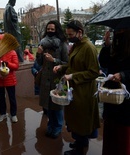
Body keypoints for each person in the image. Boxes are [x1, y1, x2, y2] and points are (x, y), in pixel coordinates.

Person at [53, 20, 100, 155]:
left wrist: (72, 76)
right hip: (75, 90)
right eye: (67, 35)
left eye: (71, 34)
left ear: (80, 32)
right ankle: (80, 142)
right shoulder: (77, 45)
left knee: (81, 120)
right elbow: (72, 66)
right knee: (76, 118)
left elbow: (93, 72)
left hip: (84, 92)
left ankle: (80, 150)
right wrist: (61, 68)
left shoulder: (88, 47)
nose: (69, 37)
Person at [99, 28, 130, 155]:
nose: (117, 32)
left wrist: (123, 74)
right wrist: (106, 44)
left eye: (121, 29)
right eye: (116, 30)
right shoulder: (116, 46)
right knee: (110, 130)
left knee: (123, 135)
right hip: (112, 96)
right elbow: (104, 62)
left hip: (126, 99)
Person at [36, 20, 69, 139]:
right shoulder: (43, 44)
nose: (50, 31)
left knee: (57, 105)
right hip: (45, 78)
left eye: (52, 29)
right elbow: (39, 63)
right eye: (48, 29)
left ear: (57, 30)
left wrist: (54, 60)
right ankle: (50, 125)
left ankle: (58, 127)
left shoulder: (62, 44)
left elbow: (67, 63)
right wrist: (39, 54)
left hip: (58, 79)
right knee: (48, 105)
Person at [0, 34, 19, 123]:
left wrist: (8, 64)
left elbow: (16, 66)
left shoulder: (12, 52)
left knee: (12, 98)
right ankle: (2, 114)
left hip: (9, 79)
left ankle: (13, 114)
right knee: (1, 98)